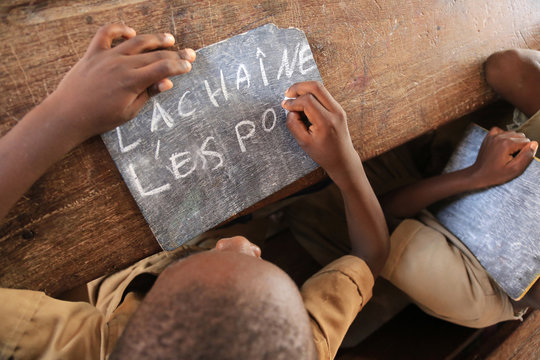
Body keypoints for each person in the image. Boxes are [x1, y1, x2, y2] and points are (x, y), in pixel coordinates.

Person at [0, 24, 389, 359]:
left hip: (113, 269)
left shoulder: (89, 346)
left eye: (185, 270)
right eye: (262, 263)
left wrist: (65, 113)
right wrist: (345, 163)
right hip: (222, 199)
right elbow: (371, 256)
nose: (239, 243)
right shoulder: (294, 345)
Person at [282, 48, 540, 329]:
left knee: (301, 194)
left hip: (364, 216)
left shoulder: (474, 299)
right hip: (429, 162)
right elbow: (506, 68)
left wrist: (476, 175)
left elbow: (380, 224)